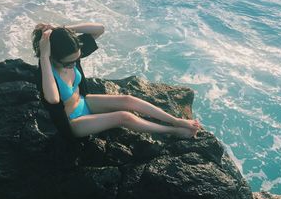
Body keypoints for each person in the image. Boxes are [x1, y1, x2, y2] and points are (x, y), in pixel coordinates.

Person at [32, 22, 202, 143]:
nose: (74, 64)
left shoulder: (69, 53)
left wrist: (62, 30)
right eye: (69, 63)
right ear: (53, 57)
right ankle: (172, 131)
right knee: (123, 117)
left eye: (77, 59)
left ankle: (175, 120)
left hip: (85, 102)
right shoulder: (46, 72)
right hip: (74, 123)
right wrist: (44, 56)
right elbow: (53, 99)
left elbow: (99, 29)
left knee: (127, 100)